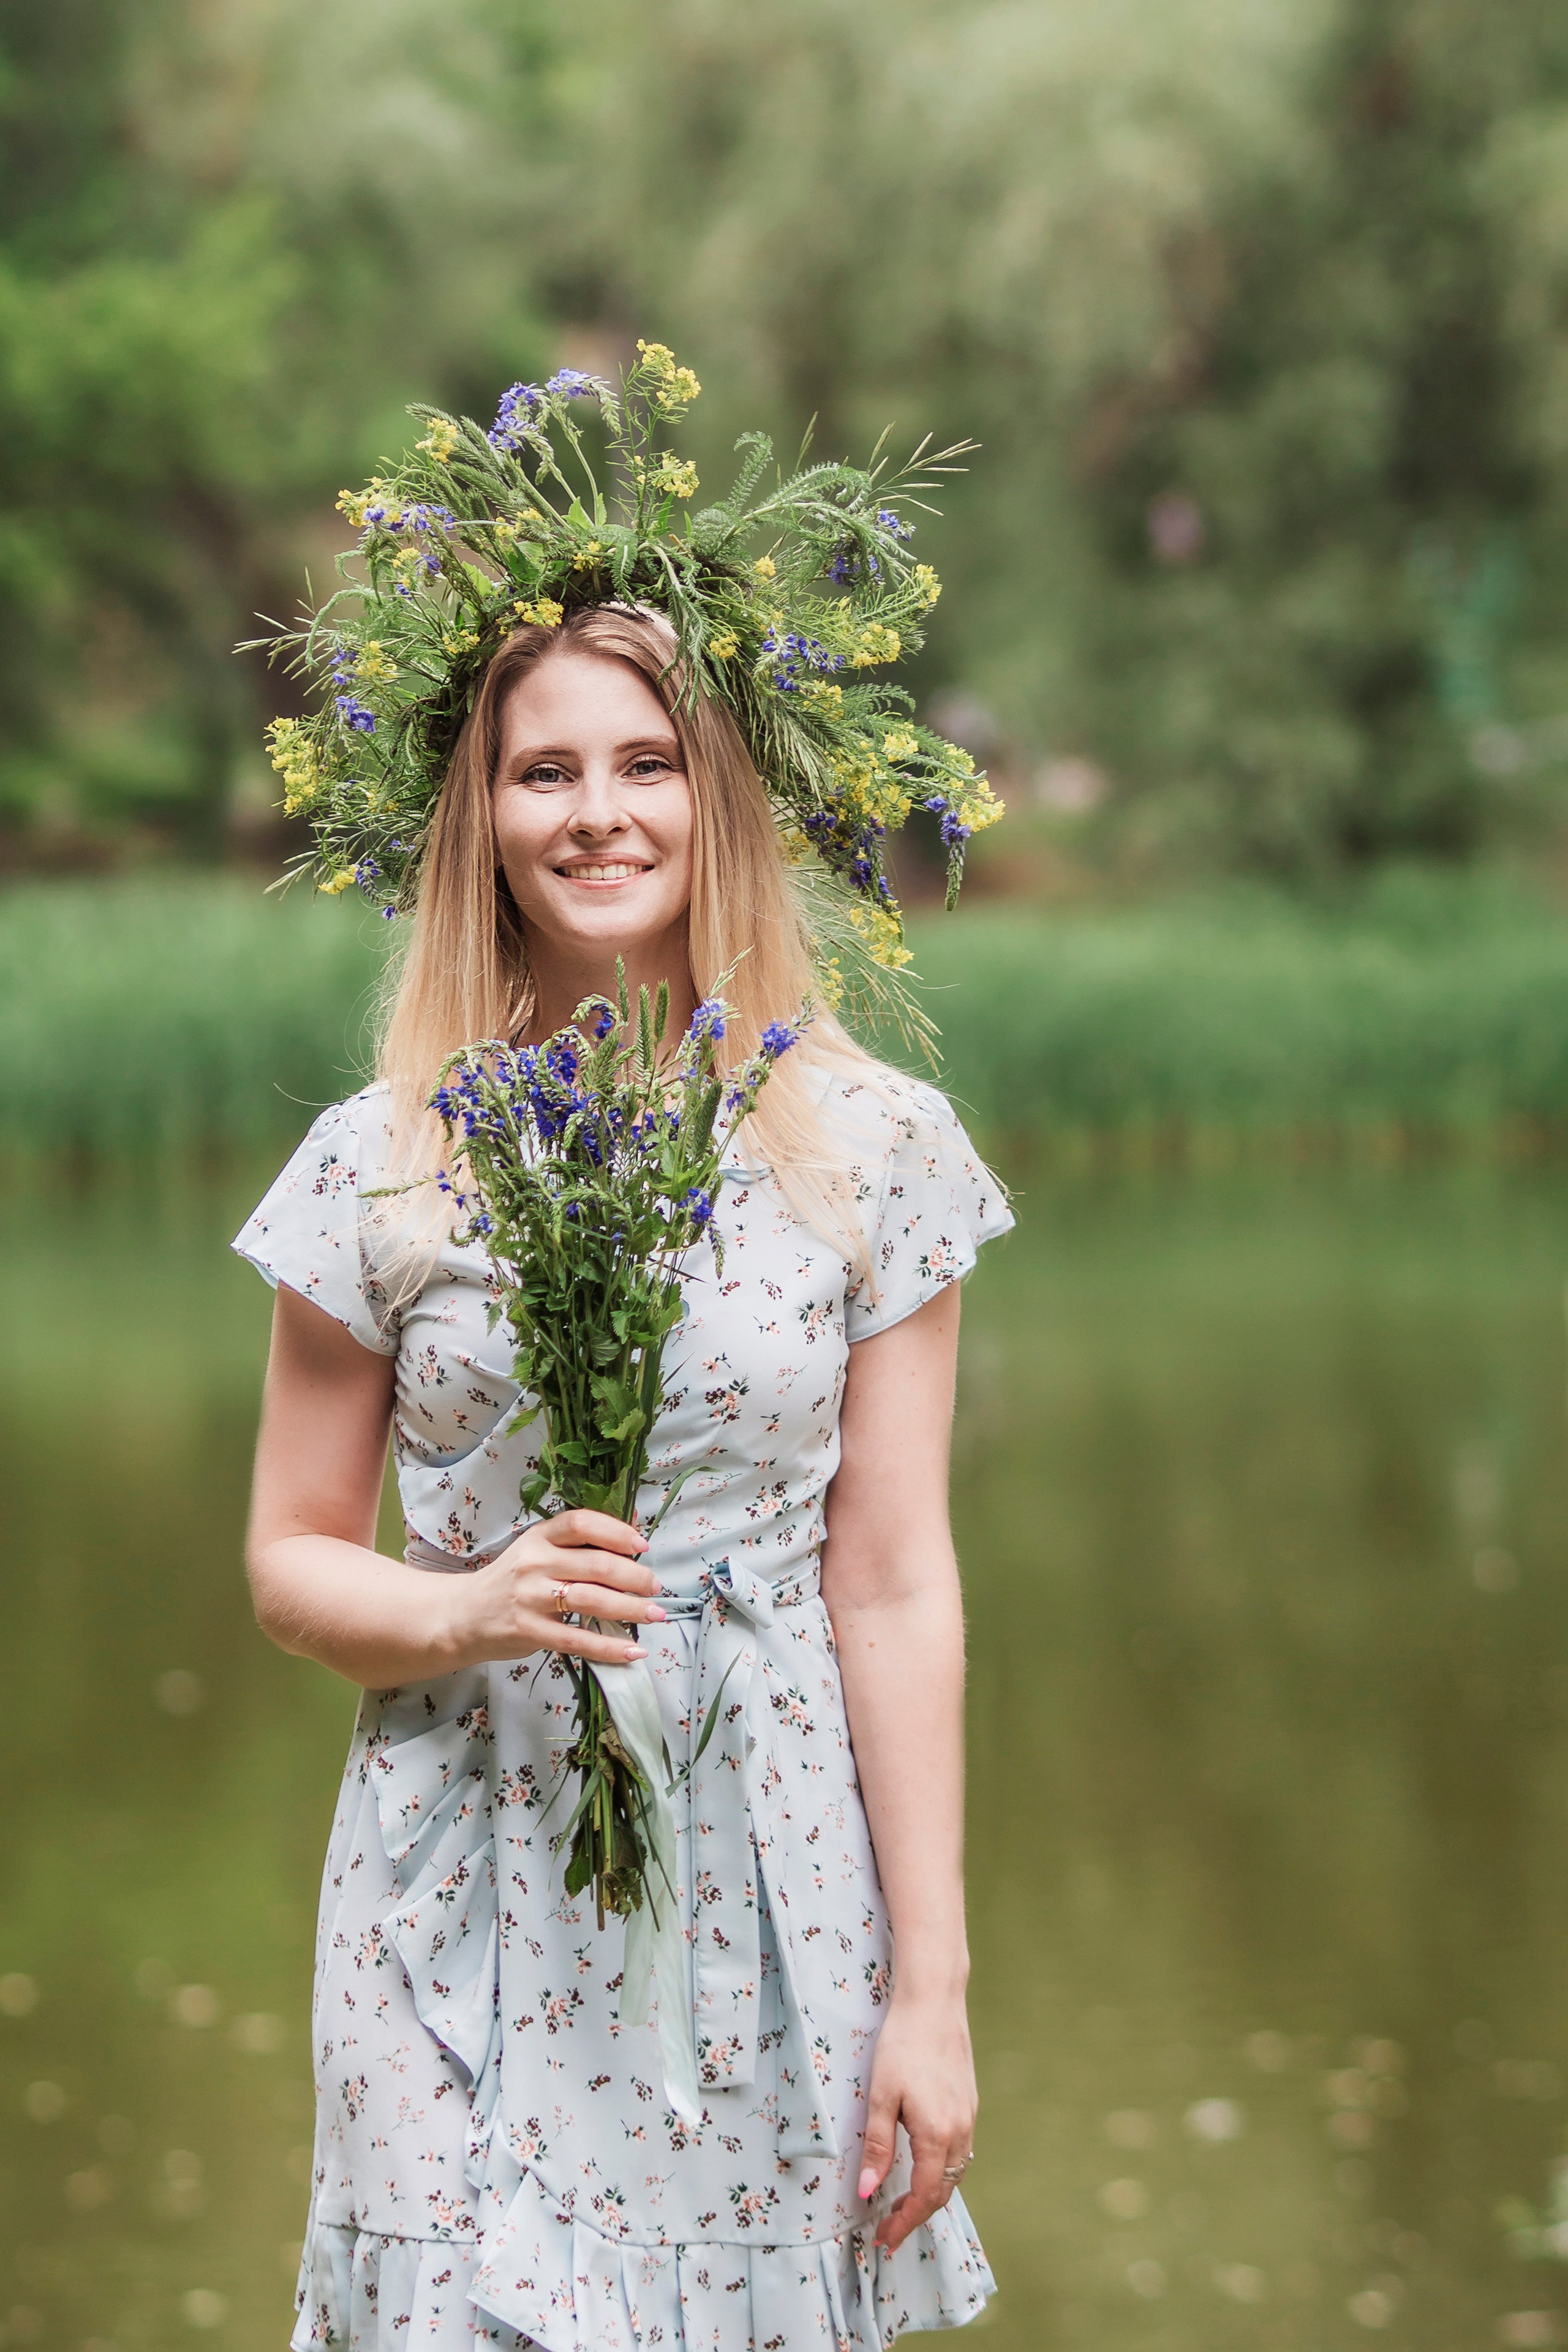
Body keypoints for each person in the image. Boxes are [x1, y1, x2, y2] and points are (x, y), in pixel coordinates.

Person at [236, 363, 1011, 2350]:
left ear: (720, 790)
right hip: (456, 1866)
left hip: (768, 1863)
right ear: (481, 818)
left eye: (648, 761)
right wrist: (474, 1602)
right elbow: (290, 1561)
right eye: (545, 770)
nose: (599, 813)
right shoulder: (383, 1159)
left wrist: (932, 1984)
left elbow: (897, 1579)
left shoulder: (876, 1152)